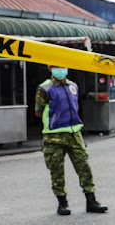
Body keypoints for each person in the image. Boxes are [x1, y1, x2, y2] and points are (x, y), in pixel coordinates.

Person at [35, 65, 108, 216]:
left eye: (63, 66)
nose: (60, 69)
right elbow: (38, 111)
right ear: (50, 69)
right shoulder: (44, 88)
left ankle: (91, 201)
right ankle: (62, 203)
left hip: (75, 134)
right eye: (57, 66)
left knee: (84, 167)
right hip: (54, 135)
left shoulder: (73, 86)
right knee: (57, 171)